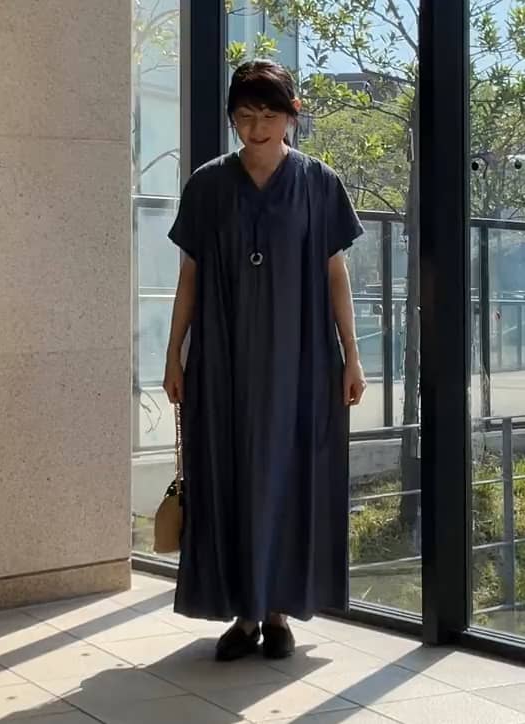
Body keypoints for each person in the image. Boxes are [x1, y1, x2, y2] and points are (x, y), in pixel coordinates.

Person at [163, 60, 366, 662]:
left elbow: (336, 274)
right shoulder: (207, 185)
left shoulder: (319, 183)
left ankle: (278, 612)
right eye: (245, 116)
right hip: (223, 359)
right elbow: (189, 276)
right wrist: (173, 354)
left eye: (268, 115)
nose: (256, 128)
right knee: (228, 474)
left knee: (289, 474)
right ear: (232, 117)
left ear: (290, 115)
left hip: (300, 359)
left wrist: (352, 356)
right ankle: (243, 614)